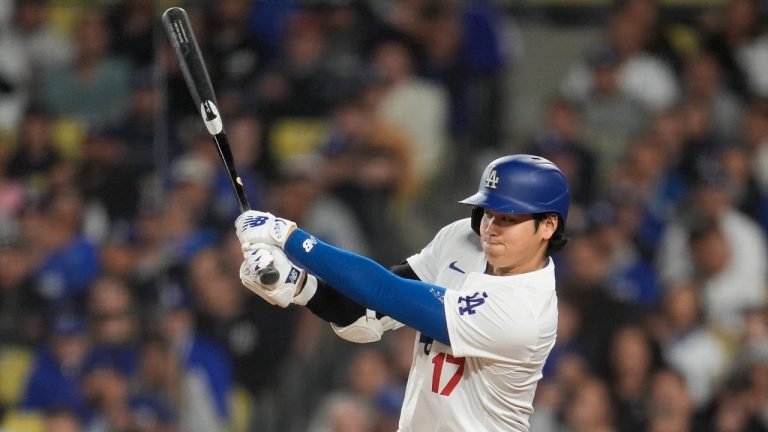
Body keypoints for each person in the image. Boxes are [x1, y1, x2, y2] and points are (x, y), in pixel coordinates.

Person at [234, 154, 570, 431]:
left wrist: (288, 237)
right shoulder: (462, 239)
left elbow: (385, 291)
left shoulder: (525, 310)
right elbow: (364, 315)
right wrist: (298, 284)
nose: (491, 228)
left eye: (509, 218)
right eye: (488, 212)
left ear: (548, 225)